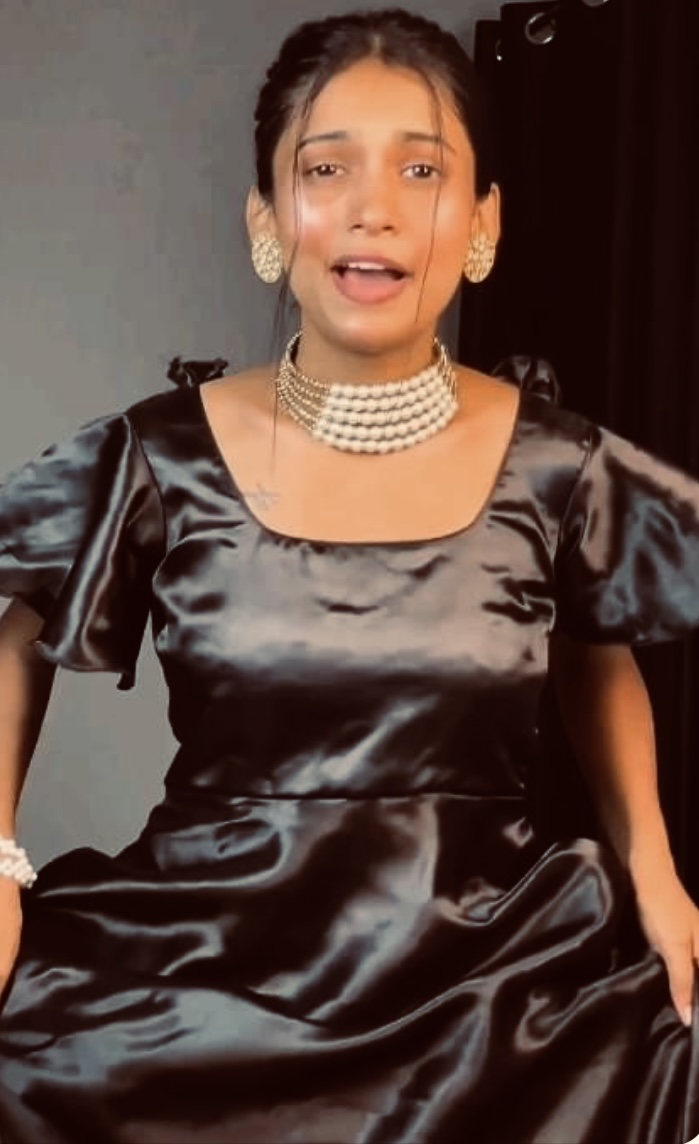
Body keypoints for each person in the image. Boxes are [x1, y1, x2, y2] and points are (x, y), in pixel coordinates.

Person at [0, 7, 698, 1142]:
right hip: (202, 968)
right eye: (327, 169)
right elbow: (22, 634)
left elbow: (593, 658)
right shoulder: (160, 452)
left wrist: (656, 876)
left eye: (421, 170)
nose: (374, 208)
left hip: (487, 975)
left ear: (483, 221)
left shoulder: (560, 464)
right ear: (266, 218)